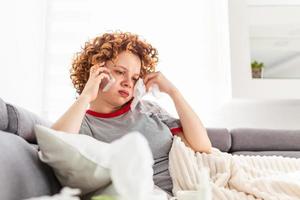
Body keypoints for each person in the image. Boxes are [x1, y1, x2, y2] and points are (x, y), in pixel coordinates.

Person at [51, 31, 212, 196]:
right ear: (96, 71)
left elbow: (203, 146)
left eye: (135, 78)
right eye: (120, 72)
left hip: (199, 182)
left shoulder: (147, 108)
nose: (128, 83)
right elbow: (55, 142)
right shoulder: (84, 123)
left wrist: (173, 92)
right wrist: (86, 96)